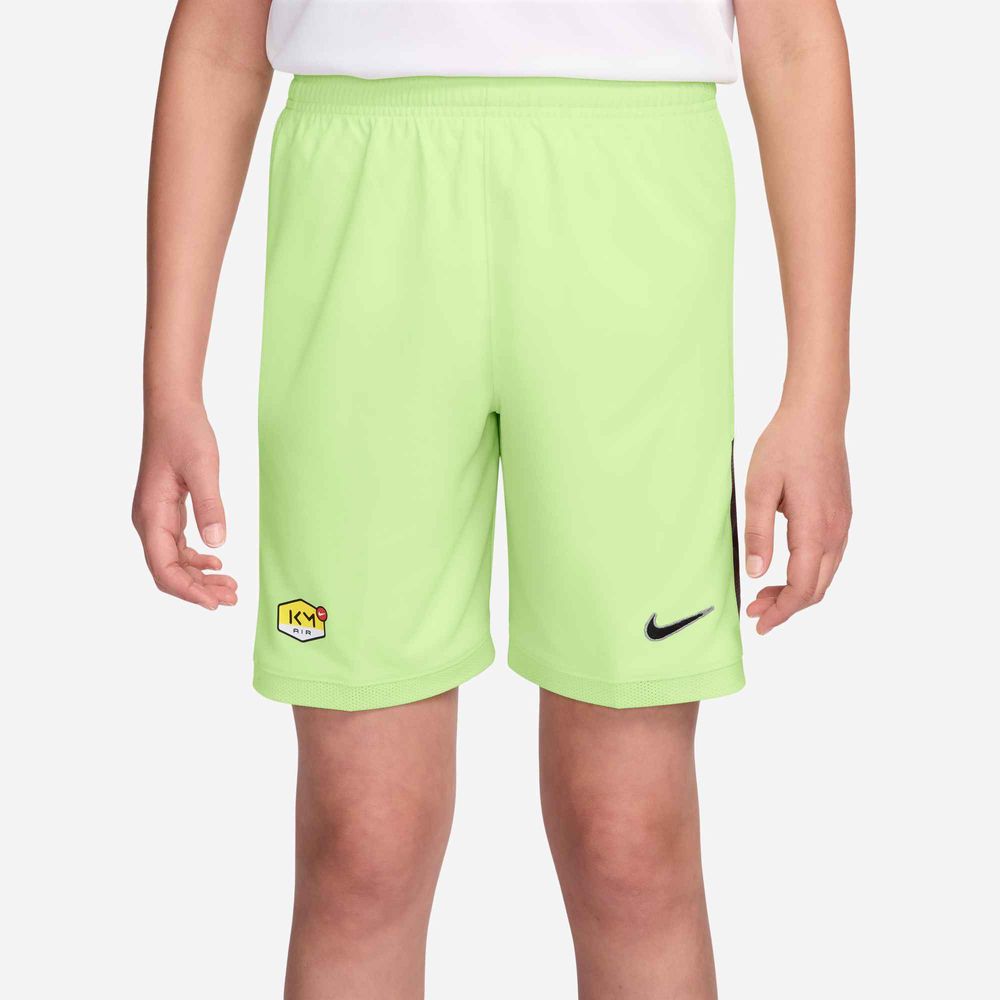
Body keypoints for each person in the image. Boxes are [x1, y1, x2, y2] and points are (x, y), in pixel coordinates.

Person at [133, 0, 854, 995]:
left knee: (629, 840)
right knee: (362, 846)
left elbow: (794, 37)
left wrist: (817, 395)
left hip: (631, 205)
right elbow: (219, 42)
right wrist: (169, 387)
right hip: (363, 204)